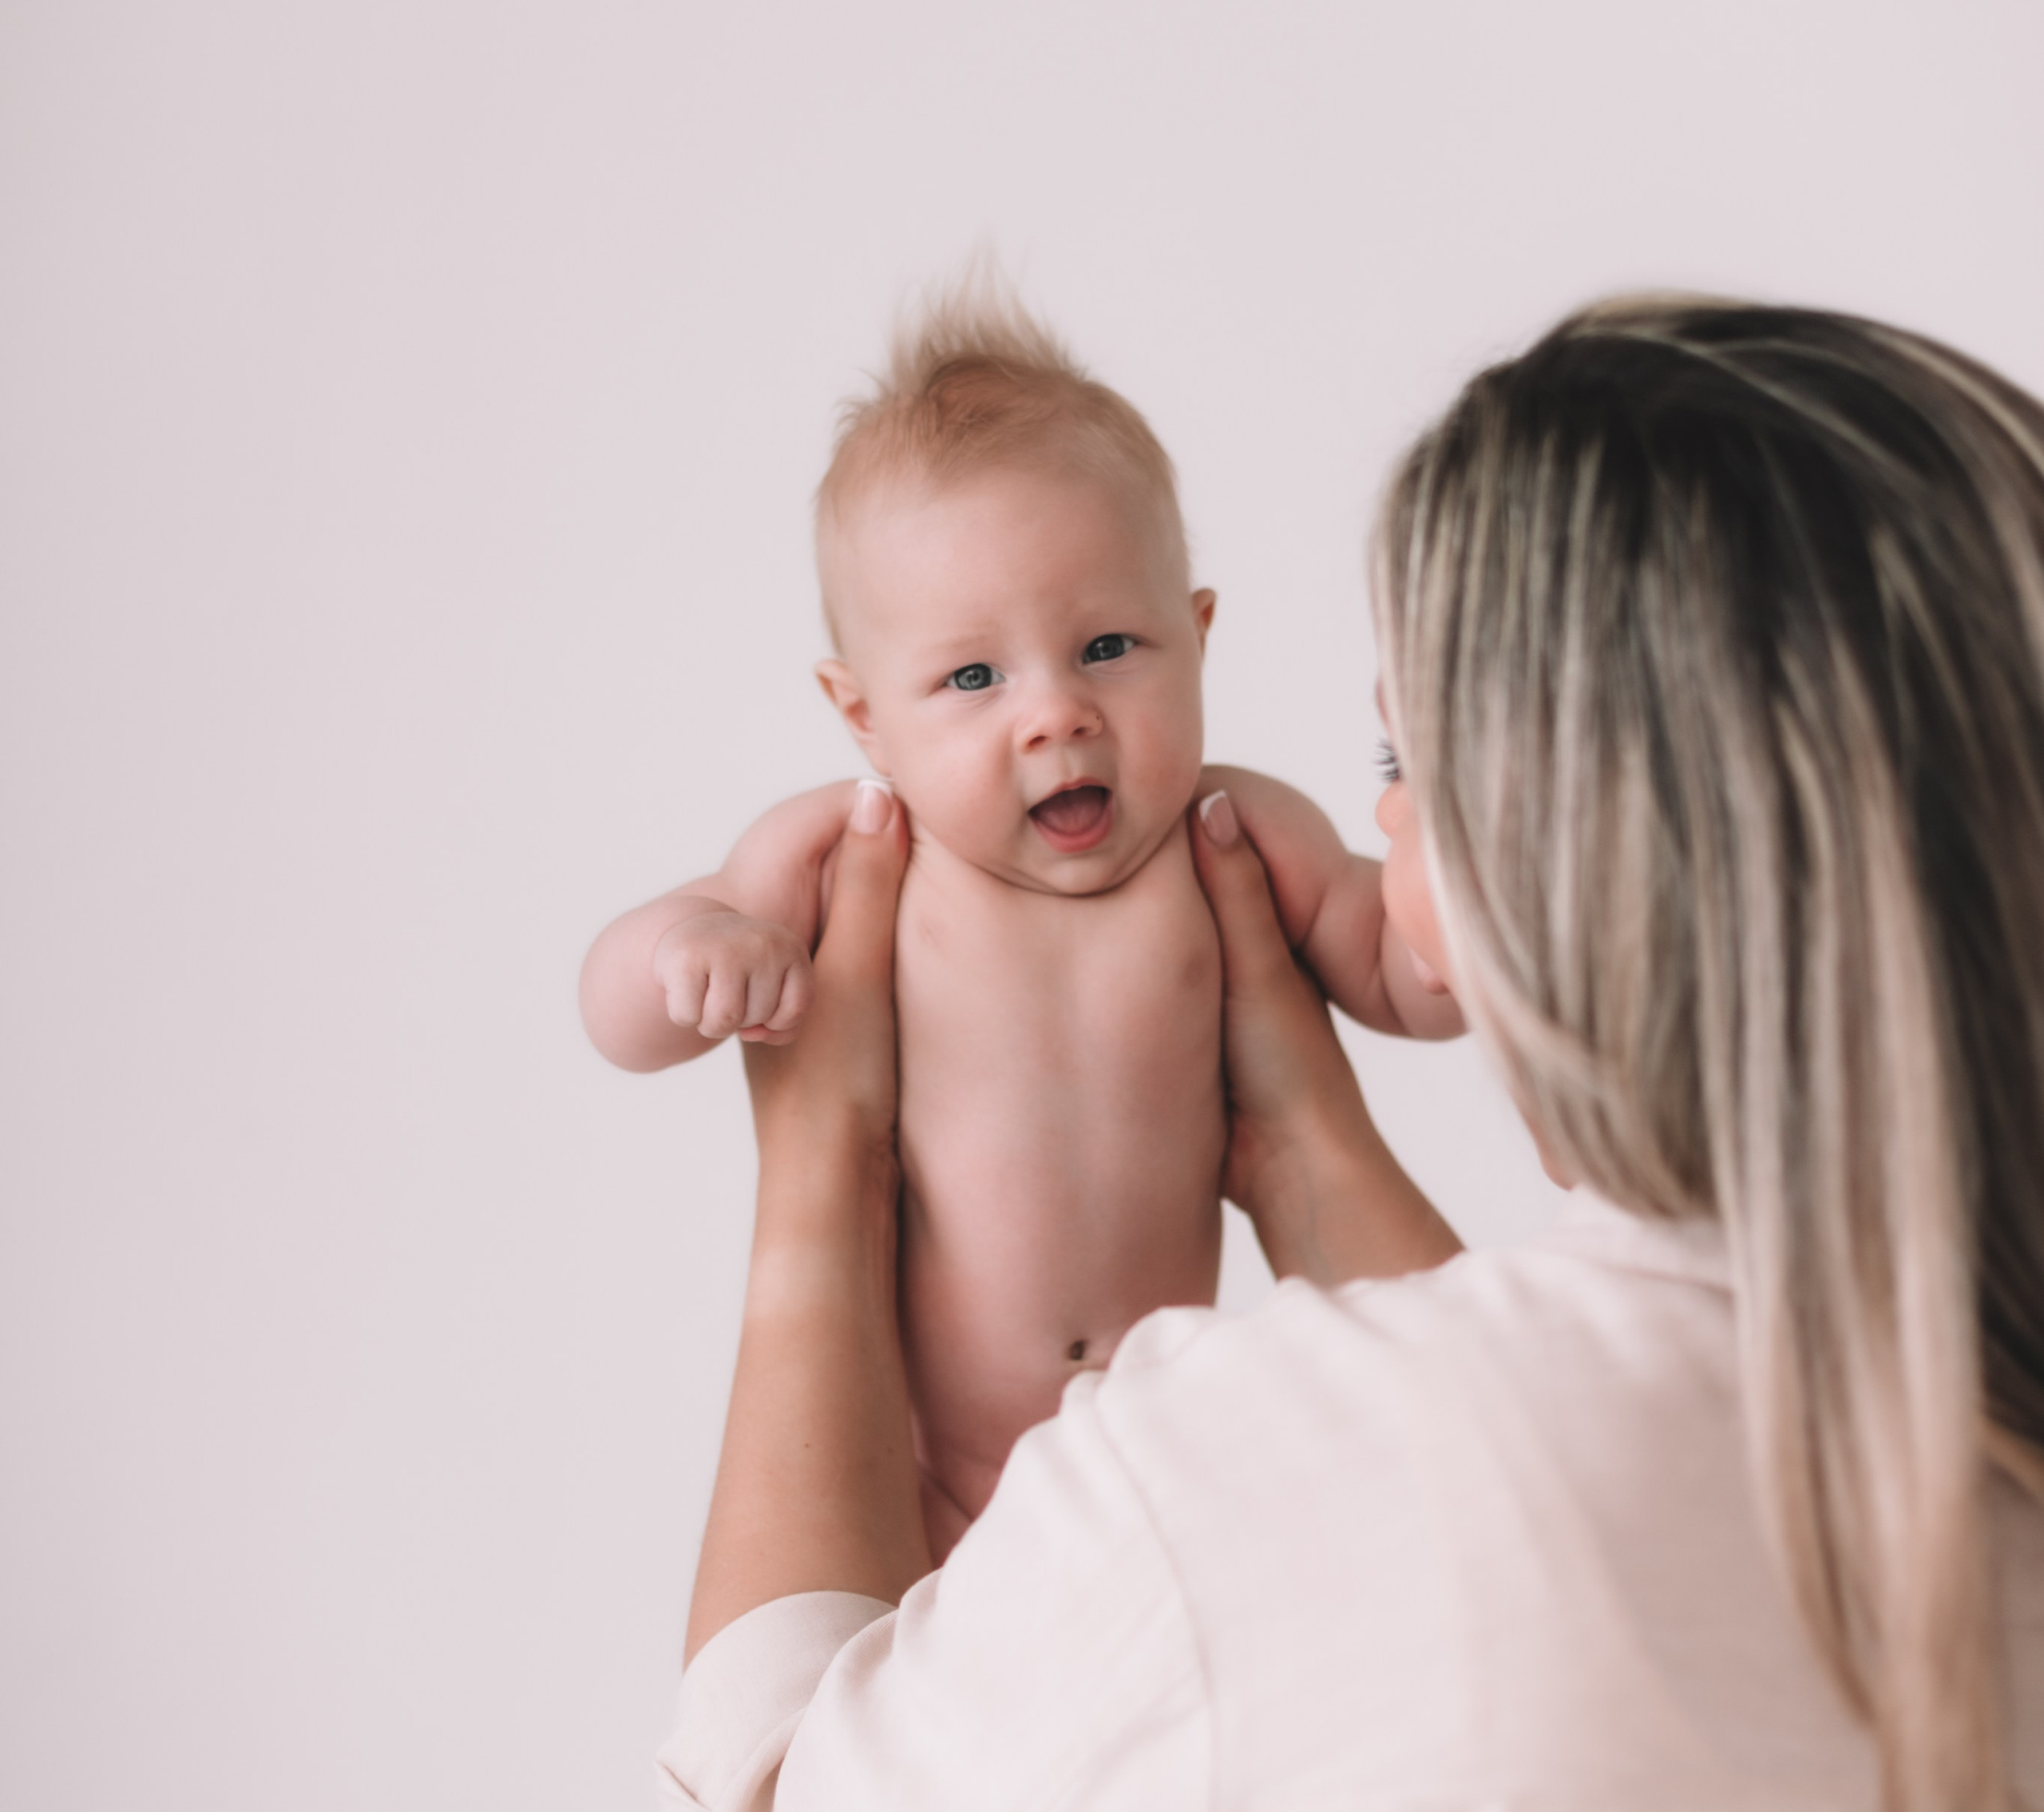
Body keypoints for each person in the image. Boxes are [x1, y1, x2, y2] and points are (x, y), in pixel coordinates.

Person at [658, 296, 2044, 1810]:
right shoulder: (1978, 1484)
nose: (1382, 828)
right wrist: (1313, 1156)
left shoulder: (1217, 1480)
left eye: (1410, 767)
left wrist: (820, 1187)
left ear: (1573, 855)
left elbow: (773, 1786)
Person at [580, 287, 1458, 1558]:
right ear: (864, 714)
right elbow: (619, 1014)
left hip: (1166, 1455)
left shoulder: (1241, 838)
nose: (1055, 713)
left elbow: (1403, 973)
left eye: (1108, 645)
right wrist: (689, 958)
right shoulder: (845, 856)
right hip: (922, 1483)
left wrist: (1487, 927)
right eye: (974, 677)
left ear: (1198, 638)